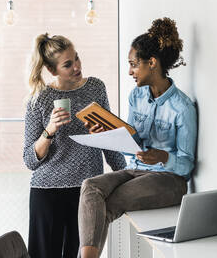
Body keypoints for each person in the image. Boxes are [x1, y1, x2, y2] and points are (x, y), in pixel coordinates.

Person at [78, 17, 197, 258]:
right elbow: (132, 144)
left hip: (169, 179)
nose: (130, 71)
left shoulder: (182, 107)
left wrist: (162, 156)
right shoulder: (137, 96)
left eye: (133, 64)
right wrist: (110, 135)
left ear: (151, 63)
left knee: (112, 201)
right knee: (90, 187)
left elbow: (186, 165)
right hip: (136, 169)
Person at [23, 33, 127, 258]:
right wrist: (49, 130)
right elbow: (30, 160)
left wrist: (127, 176)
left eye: (77, 58)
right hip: (47, 193)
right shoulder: (39, 98)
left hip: (88, 191)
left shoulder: (96, 88)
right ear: (52, 70)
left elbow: (110, 145)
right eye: (68, 64)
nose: (77, 67)